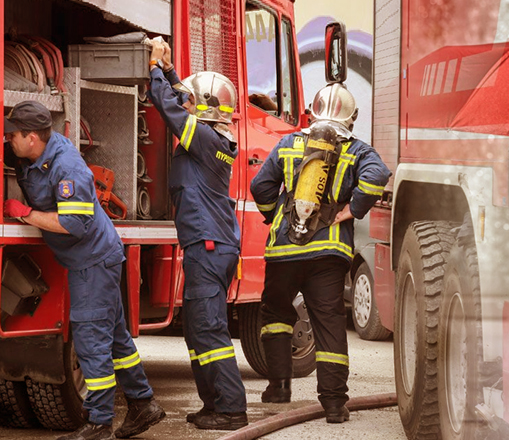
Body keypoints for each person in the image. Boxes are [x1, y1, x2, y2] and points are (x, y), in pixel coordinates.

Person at [3, 101, 165, 440]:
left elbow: (74, 224)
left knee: (91, 341)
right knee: (117, 339)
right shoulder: (35, 153)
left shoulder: (67, 168)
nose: (9, 140)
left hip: (92, 261)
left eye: (13, 135)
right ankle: (143, 405)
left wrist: (26, 214)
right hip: (96, 259)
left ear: (32, 137)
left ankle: (99, 424)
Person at [250, 82, 391, 423]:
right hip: (328, 253)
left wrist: (276, 217)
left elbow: (260, 187)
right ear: (352, 118)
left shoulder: (288, 143)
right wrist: (352, 209)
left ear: (312, 112)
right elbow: (378, 176)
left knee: (275, 316)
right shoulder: (357, 150)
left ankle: (279, 387)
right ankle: (333, 405)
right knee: (328, 325)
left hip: (284, 251)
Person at [147, 40, 247, 430]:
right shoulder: (214, 138)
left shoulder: (203, 139)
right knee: (199, 330)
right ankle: (214, 404)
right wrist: (172, 72)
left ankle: (232, 409)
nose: (187, 103)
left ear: (203, 110)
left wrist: (156, 67)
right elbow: (183, 102)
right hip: (209, 245)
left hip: (208, 245)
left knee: (209, 330)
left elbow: (170, 109)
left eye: (194, 101)